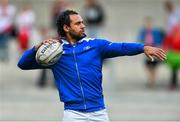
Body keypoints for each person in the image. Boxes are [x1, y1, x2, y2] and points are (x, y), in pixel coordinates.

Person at [17, 10, 166, 122]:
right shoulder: (55, 53)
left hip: (99, 112)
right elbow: (22, 64)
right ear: (66, 28)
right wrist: (36, 47)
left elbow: (121, 47)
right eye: (78, 23)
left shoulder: (96, 45)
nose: (83, 26)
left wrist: (143, 47)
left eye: (82, 22)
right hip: (73, 114)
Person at [138, 16, 164, 87]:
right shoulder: (143, 31)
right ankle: (150, 79)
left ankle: (153, 80)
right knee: (148, 65)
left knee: (154, 65)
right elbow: (140, 39)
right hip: (146, 50)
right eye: (147, 23)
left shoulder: (156, 31)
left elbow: (159, 40)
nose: (148, 24)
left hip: (154, 49)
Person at [163, 0, 180, 89]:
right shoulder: (171, 35)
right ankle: (173, 84)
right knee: (174, 69)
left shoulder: (177, 14)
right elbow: (168, 40)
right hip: (175, 53)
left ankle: (173, 84)